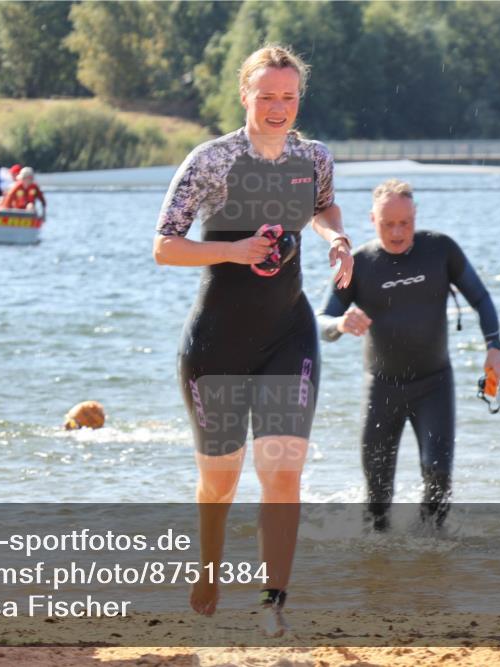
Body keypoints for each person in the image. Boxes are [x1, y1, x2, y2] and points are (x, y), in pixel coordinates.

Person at [153, 44, 353, 637]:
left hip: (289, 333)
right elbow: (165, 245)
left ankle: (274, 601)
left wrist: (336, 239)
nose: (277, 108)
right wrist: (233, 251)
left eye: (288, 97)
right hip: (215, 342)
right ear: (245, 95)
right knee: (221, 478)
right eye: (266, 96)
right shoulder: (212, 161)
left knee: (282, 468)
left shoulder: (312, 156)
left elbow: (323, 207)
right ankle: (209, 569)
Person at [317, 179, 500, 532]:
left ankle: (430, 560)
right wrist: (341, 323)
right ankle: (379, 569)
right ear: (372, 219)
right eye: (388, 223)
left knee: (438, 479)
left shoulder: (440, 250)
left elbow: (481, 298)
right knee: (377, 496)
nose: (397, 232)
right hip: (381, 388)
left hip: (433, 385)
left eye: (405, 223)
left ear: (415, 216)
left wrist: (494, 346)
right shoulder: (359, 263)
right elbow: (320, 323)